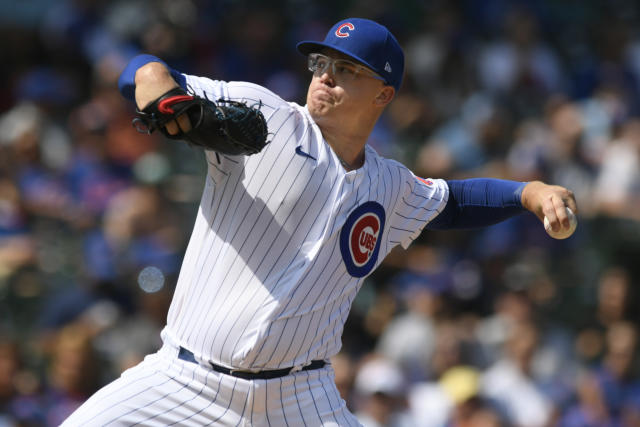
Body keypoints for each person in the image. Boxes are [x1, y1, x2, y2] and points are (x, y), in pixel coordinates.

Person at [63, 17, 577, 426]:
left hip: (299, 397)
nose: (325, 76)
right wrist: (152, 77)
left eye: (347, 69)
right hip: (183, 380)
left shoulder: (389, 186)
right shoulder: (266, 116)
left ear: (383, 95)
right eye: (320, 62)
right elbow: (142, 71)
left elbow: (455, 202)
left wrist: (530, 191)